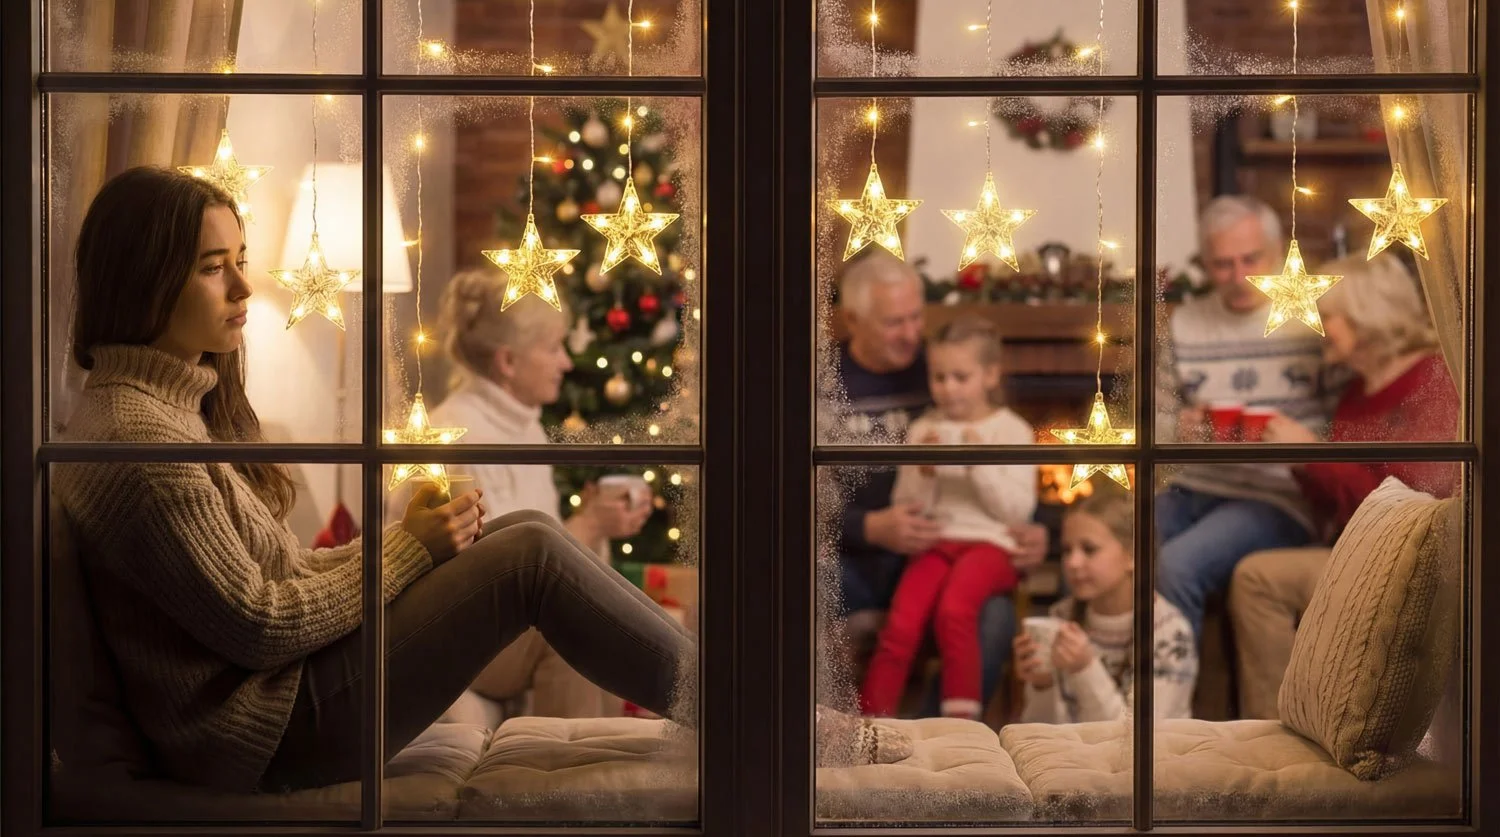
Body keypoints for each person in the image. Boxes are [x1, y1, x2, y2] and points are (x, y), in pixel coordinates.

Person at [51, 166, 908, 794]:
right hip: (265, 733)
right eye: (213, 266)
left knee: (521, 539)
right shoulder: (138, 439)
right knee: (531, 551)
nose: (243, 285)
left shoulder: (162, 411)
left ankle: (747, 706)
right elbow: (263, 622)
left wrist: (417, 546)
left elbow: (272, 581)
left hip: (278, 699)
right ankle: (770, 722)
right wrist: (408, 549)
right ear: (147, 276)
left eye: (240, 258)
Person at [387, 269, 651, 718]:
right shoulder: (463, 434)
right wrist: (587, 526)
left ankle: (607, 772)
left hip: (495, 623)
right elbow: (509, 578)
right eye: (552, 348)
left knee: (605, 616)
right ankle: (567, 784)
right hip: (453, 633)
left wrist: (591, 523)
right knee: (573, 626)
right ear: (507, 362)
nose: (566, 363)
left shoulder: (523, 425)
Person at [1230, 252, 1459, 719]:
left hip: (1406, 557)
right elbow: (1339, 496)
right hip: (1356, 545)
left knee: (1256, 578)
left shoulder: (1431, 377)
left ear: (1365, 315)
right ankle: (1282, 724)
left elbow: (1413, 503)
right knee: (1254, 573)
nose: (1319, 324)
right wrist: (1297, 457)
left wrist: (1313, 451)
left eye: (1327, 314)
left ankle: (1278, 729)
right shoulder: (1356, 391)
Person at [830, 251, 1048, 717]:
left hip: (953, 550)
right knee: (807, 592)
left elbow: (1017, 470)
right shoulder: (820, 385)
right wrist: (869, 527)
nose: (913, 335)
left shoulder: (944, 366)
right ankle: (836, 740)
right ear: (852, 319)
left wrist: (1044, 530)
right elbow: (786, 497)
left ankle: (937, 741)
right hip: (854, 558)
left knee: (989, 618)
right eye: (894, 323)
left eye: (916, 317)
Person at [1153, 195, 1334, 638]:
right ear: (1204, 263)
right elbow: (1154, 415)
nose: (1238, 277)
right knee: (1111, 545)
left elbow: (1349, 421)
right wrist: (1178, 429)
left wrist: (1295, 439)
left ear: (1277, 252)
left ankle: (1169, 703)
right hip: (1192, 485)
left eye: (1251, 260)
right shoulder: (1183, 324)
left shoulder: (1313, 318)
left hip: (1276, 498)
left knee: (1177, 564)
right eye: (1221, 265)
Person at [859, 317, 1037, 720]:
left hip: (992, 546)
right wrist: (924, 470)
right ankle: (869, 722)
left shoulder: (1012, 431)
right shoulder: (924, 428)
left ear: (990, 375)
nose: (948, 388)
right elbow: (907, 502)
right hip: (935, 542)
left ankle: (961, 725)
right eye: (939, 377)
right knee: (901, 626)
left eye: (961, 377)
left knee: (955, 610)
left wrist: (979, 466)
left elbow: (1015, 512)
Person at [1014, 487, 1197, 723]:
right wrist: (1042, 686)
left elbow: (1135, 745)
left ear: (1133, 555)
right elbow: (1039, 734)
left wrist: (1085, 669)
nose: (1072, 562)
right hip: (1070, 756)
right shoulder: (1062, 617)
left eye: (1089, 550)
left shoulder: (1170, 634)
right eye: (1067, 550)